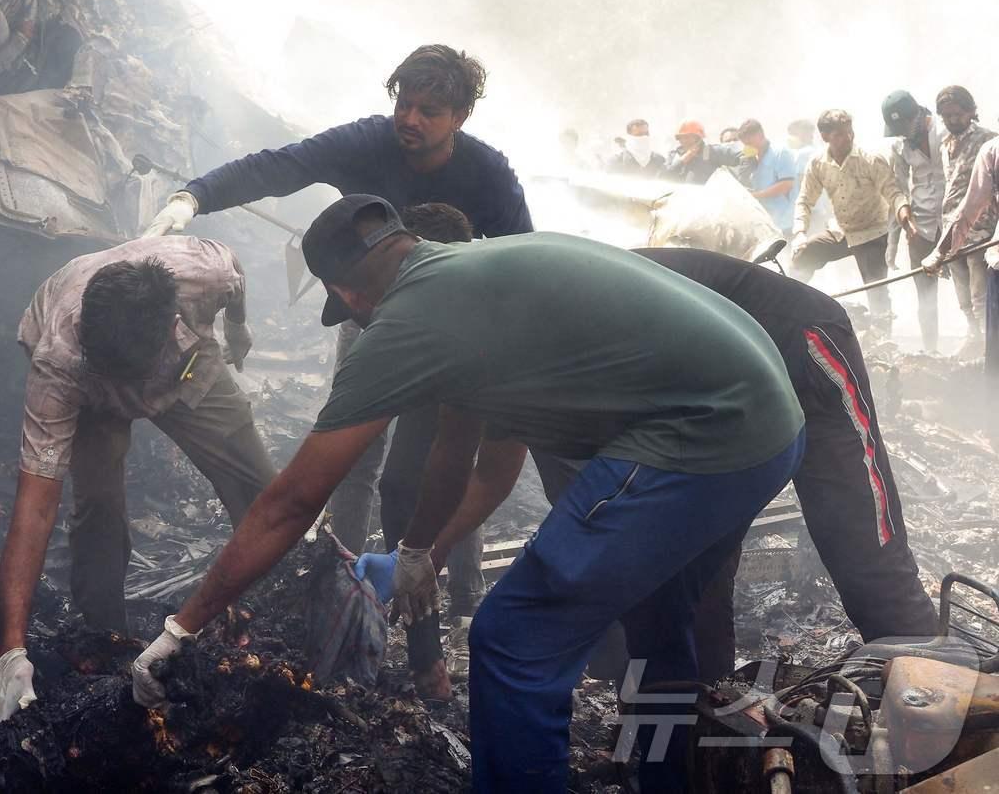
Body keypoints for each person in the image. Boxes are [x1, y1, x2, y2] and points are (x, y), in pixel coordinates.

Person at [132, 195, 806, 792]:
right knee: (659, 624)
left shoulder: (407, 322)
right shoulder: (475, 278)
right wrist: (419, 551)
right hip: (767, 424)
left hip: (699, 438)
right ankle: (668, 779)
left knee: (513, 641)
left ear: (352, 294)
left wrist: (181, 625)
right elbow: (474, 460)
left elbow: (292, 500)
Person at [143, 44, 532, 560]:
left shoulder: (487, 173)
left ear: (459, 117)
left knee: (441, 459)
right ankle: (347, 575)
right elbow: (281, 167)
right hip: (366, 313)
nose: (409, 120)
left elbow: (520, 259)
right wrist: (192, 198)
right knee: (354, 451)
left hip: (446, 329)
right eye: (403, 105)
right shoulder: (367, 142)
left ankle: (454, 586)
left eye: (429, 112)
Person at [535, 245, 938, 682]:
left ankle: (945, 705)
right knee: (691, 563)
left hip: (794, 345)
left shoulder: (540, 344)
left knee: (860, 543)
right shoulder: (525, 374)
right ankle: (702, 718)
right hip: (709, 394)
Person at [0, 237, 275, 722]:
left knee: (261, 488)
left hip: (184, 369)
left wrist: (239, 326)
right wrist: (10, 651)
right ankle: (107, 640)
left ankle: (257, 615)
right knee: (97, 504)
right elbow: (34, 510)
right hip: (88, 388)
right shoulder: (58, 364)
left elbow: (236, 275)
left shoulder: (204, 273)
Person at [352, 203, 487, 699]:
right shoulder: (428, 317)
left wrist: (426, 550)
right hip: (454, 374)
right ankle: (428, 662)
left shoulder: (481, 313)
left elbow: (488, 465)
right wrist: (416, 554)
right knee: (400, 484)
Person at [792, 109, 914, 322]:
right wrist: (800, 232)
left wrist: (905, 217)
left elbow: (893, 192)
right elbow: (805, 200)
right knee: (805, 255)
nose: (847, 138)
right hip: (841, 231)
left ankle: (883, 338)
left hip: (873, 233)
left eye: (849, 132)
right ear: (825, 137)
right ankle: (792, 307)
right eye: (839, 134)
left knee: (875, 288)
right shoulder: (818, 163)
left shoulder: (870, 160)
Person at [932, 86, 997, 354]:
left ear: (970, 111)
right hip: (952, 225)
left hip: (981, 228)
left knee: (980, 292)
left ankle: (986, 342)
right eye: (946, 115)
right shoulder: (945, 143)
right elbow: (949, 186)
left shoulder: (988, 141)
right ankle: (973, 335)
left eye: (957, 114)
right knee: (962, 293)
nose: (952, 120)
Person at [883, 91, 945, 352]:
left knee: (972, 286)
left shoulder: (945, 133)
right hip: (920, 225)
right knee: (925, 292)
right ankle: (931, 349)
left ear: (918, 115)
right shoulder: (899, 146)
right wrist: (900, 230)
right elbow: (897, 189)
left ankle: (978, 342)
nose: (903, 133)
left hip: (958, 219)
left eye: (905, 126)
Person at [738, 118, 798, 236]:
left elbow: (786, 185)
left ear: (760, 136)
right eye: (745, 144)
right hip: (767, 222)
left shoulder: (780, 152)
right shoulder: (752, 159)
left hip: (786, 221)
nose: (747, 147)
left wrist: (755, 196)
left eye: (749, 143)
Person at [665, 120, 742, 185]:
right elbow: (663, 177)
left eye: (688, 137)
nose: (684, 141)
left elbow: (742, 158)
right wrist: (682, 161)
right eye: (681, 138)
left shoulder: (713, 152)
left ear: (699, 138)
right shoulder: (674, 156)